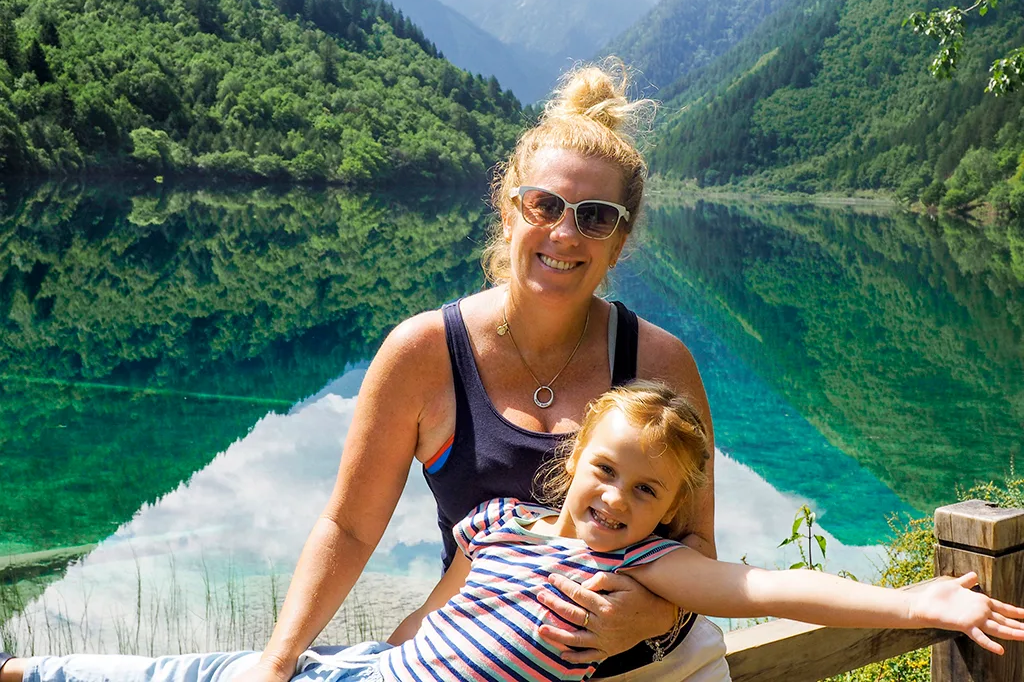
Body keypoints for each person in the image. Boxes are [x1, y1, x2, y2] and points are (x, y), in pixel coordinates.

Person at [1, 60, 726, 682]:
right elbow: (349, 528)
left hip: (654, 667)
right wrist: (279, 661)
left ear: (621, 240)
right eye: (545, 205)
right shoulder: (422, 353)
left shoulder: (656, 364)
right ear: (509, 211)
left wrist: (648, 613)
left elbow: (698, 548)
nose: (565, 233)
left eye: (595, 217)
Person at [8, 381, 1023, 682]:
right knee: (190, 675)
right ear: (573, 463)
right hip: (357, 675)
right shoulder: (496, 521)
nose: (616, 501)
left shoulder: (654, 567)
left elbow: (765, 592)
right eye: (605, 474)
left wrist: (912, 600)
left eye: (643, 491)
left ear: (668, 509)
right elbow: (425, 621)